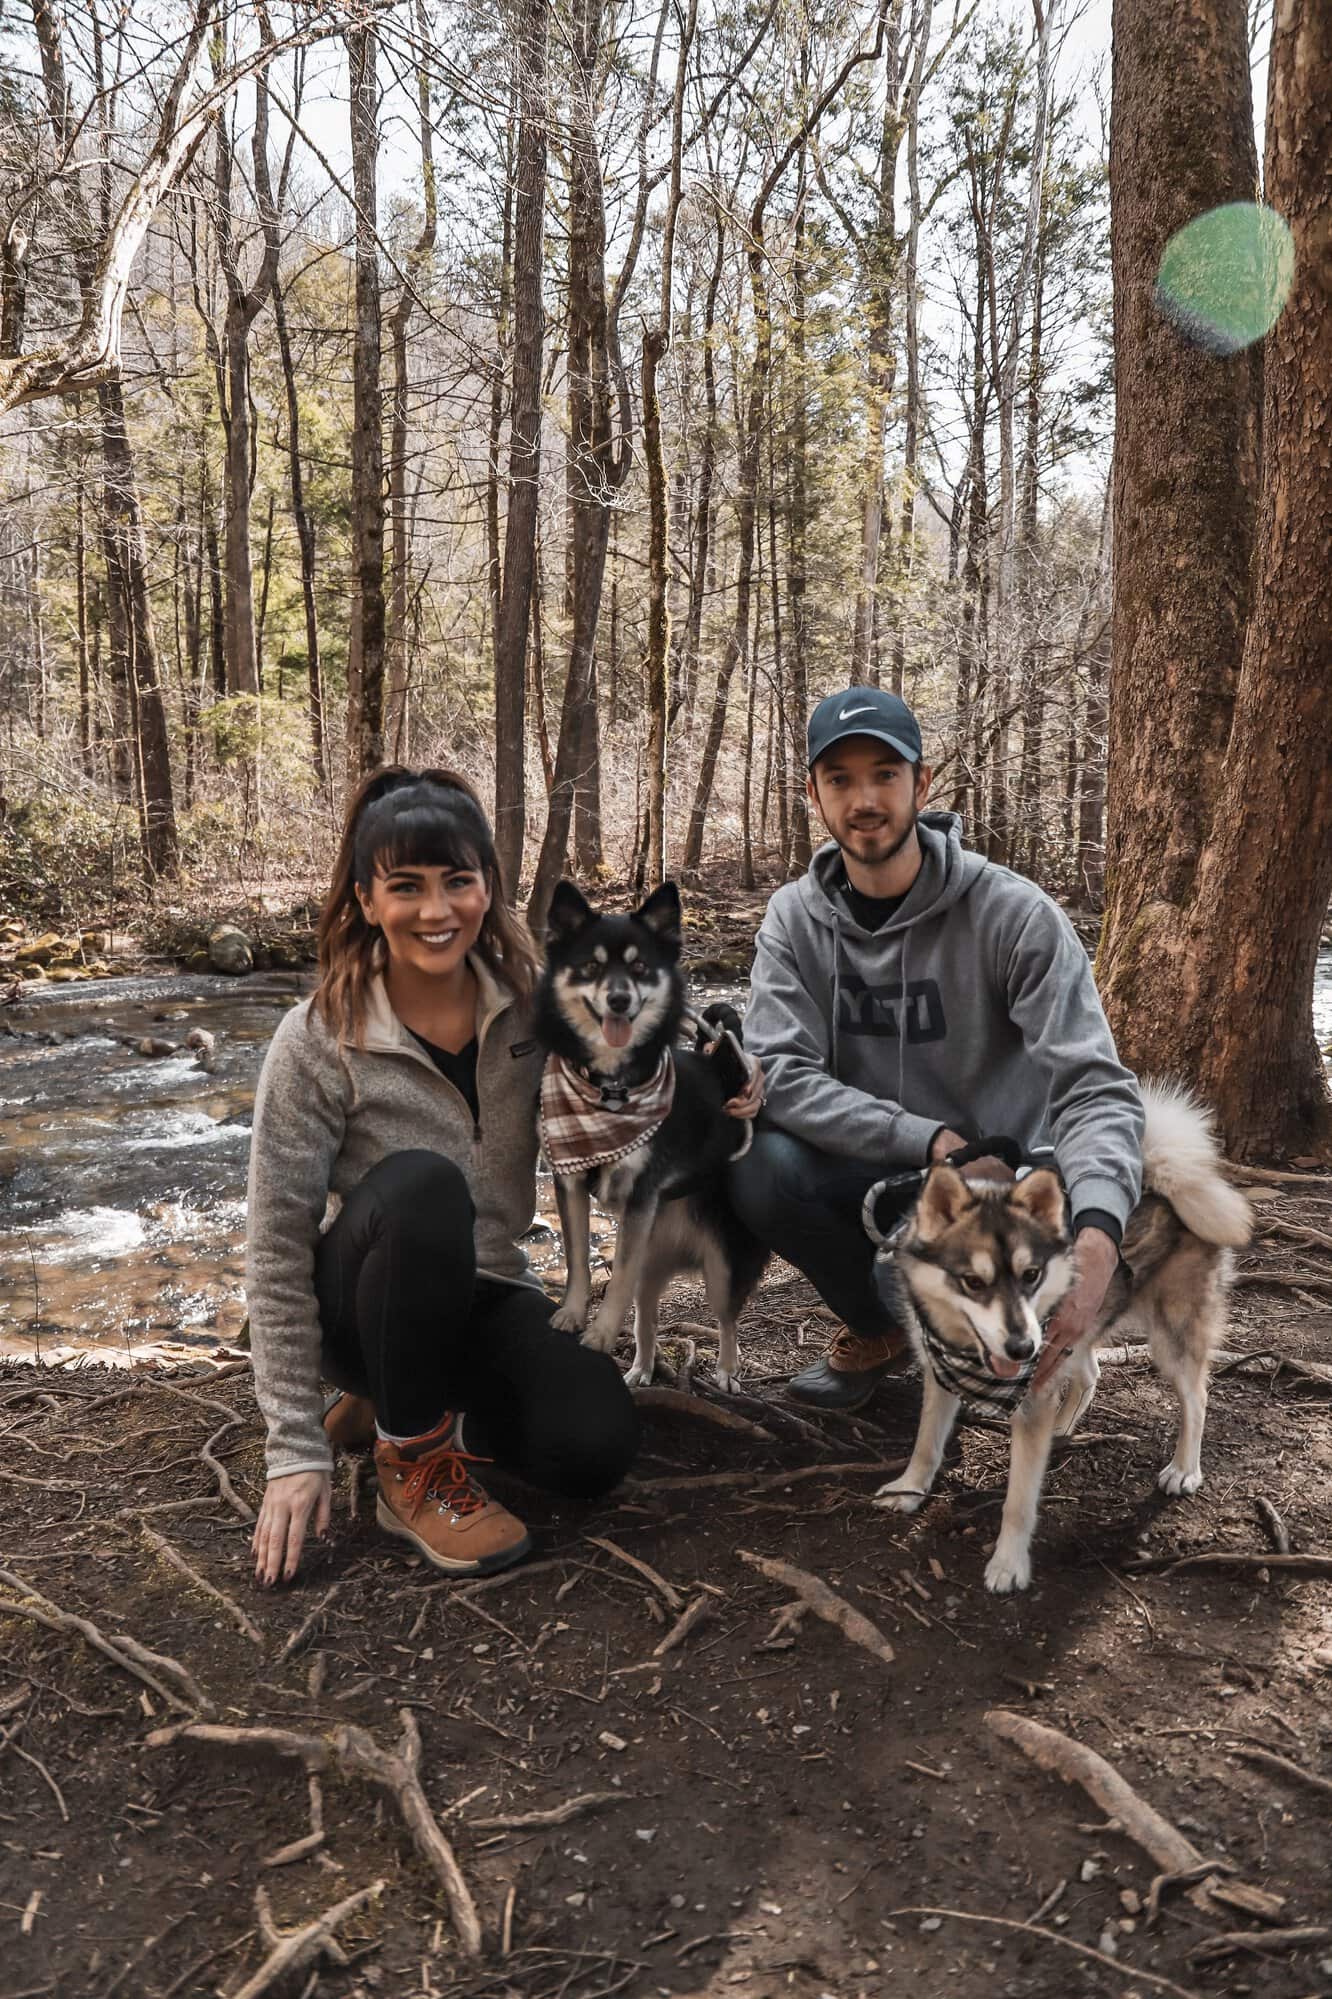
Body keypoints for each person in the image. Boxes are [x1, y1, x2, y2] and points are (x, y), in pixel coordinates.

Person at [245, 768, 639, 1587]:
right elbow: (275, 1248)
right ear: (364, 899)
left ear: (489, 887)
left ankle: (406, 1402)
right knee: (425, 1188)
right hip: (366, 1300)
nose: (436, 911)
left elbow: (606, 1125)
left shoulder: (537, 1012)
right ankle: (412, 1458)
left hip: (488, 1289)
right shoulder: (317, 1038)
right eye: (407, 886)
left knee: (593, 1446)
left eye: (458, 881)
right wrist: (292, 1444)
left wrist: (711, 1081)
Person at [730, 686, 1143, 1412]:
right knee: (758, 1164)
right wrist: (931, 1141)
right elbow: (782, 1074)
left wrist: (1100, 1234)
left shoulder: (1013, 914)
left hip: (999, 1184)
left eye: (885, 773)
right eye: (840, 778)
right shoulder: (794, 920)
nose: (864, 798)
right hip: (881, 1166)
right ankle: (880, 1327)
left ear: (922, 783)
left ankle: (976, 1336)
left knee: (986, 1357)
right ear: (813, 795)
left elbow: (1095, 1089)